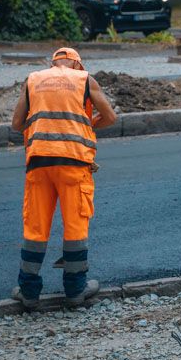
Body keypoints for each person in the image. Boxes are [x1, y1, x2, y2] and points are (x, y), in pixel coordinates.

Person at [9, 48, 116, 311]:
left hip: (39, 162)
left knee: (35, 228)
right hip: (74, 163)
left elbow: (16, 123)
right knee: (75, 229)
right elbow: (111, 117)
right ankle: (75, 291)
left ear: (52, 63)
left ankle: (29, 292)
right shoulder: (85, 79)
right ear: (77, 64)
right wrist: (85, 124)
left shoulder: (33, 79)